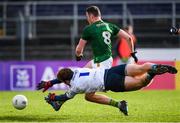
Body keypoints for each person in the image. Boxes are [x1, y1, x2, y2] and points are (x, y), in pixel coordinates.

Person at [37, 6, 138, 106]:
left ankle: (120, 104)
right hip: (103, 60)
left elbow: (78, 49)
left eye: (87, 16)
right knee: (76, 77)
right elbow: (129, 38)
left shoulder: (89, 29)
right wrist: (133, 53)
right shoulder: (110, 26)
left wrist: (78, 55)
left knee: (88, 96)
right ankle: (52, 87)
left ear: (91, 16)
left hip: (101, 64)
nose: (87, 19)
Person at [37, 63, 177, 116]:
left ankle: (152, 73)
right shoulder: (76, 70)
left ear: (67, 81)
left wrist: (54, 98)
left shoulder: (75, 87)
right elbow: (64, 79)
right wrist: (50, 82)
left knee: (141, 83)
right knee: (141, 67)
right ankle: (153, 67)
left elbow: (66, 97)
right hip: (112, 70)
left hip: (111, 82)